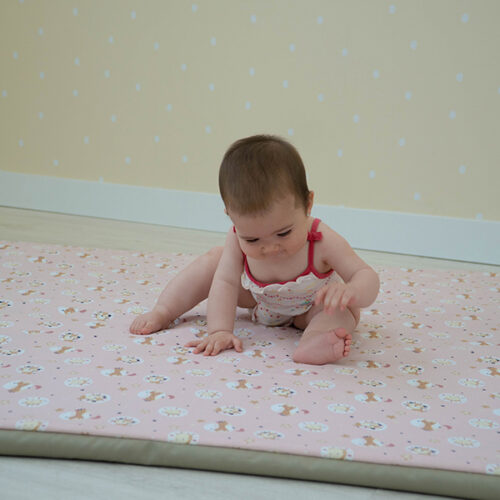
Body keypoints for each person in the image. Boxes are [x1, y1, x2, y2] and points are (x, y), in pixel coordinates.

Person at [130, 135, 380, 365]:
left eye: (283, 233)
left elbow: (366, 275)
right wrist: (220, 330)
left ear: (308, 203)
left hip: (311, 307)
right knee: (213, 263)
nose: (270, 248)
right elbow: (226, 283)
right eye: (252, 239)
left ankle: (314, 342)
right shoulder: (236, 237)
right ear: (231, 217)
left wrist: (352, 290)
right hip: (259, 300)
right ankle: (164, 310)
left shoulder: (322, 239)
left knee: (339, 313)